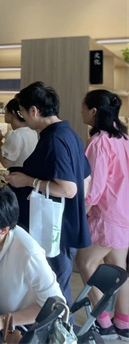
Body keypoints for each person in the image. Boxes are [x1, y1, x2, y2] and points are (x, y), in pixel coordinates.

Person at [6, 81, 91, 306]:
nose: (22, 118)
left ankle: (59, 327)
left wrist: (27, 181)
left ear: (34, 110)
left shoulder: (54, 140)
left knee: (53, 291)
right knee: (55, 285)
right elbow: (85, 178)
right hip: (62, 224)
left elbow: (68, 189)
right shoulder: (68, 133)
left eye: (22, 112)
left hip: (53, 228)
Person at [0, 185, 64, 339]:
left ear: (3, 230)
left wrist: (3, 321)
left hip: (22, 326)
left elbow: (55, 306)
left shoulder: (29, 253)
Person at [75, 89, 129, 339]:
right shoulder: (124, 138)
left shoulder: (99, 142)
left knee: (86, 262)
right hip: (123, 214)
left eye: (84, 107)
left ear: (94, 112)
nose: (82, 111)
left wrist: (79, 217)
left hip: (105, 215)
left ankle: (103, 321)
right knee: (119, 269)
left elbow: (93, 188)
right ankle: (123, 323)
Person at [0, 98, 38, 169]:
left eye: (6, 110)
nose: (4, 114)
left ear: (12, 113)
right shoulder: (32, 132)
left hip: (18, 174)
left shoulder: (15, 135)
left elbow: (6, 163)